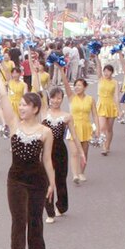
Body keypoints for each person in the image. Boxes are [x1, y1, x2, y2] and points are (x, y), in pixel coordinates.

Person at [0, 60, 55, 249]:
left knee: (35, 217)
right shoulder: (13, 125)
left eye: (25, 105)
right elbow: (2, 97)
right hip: (16, 179)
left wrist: (52, 184)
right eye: (19, 105)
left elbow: (47, 161)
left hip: (37, 180)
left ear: (35, 108)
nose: (20, 108)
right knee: (18, 220)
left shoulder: (45, 132)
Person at [41, 86, 85, 223]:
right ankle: (49, 213)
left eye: (59, 98)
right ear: (50, 98)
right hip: (46, 151)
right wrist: (34, 67)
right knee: (47, 181)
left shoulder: (67, 116)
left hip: (60, 151)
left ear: (62, 99)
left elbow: (74, 136)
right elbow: (37, 88)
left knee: (60, 180)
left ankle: (61, 206)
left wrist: (82, 153)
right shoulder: (43, 112)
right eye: (53, 97)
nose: (56, 100)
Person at [95, 55, 119, 155]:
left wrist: (119, 109)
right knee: (102, 127)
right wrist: (96, 57)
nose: (106, 73)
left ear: (112, 72)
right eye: (105, 71)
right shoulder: (101, 79)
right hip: (101, 104)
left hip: (111, 105)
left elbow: (116, 96)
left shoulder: (115, 82)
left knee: (109, 129)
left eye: (108, 71)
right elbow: (99, 68)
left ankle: (107, 146)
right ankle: (104, 147)